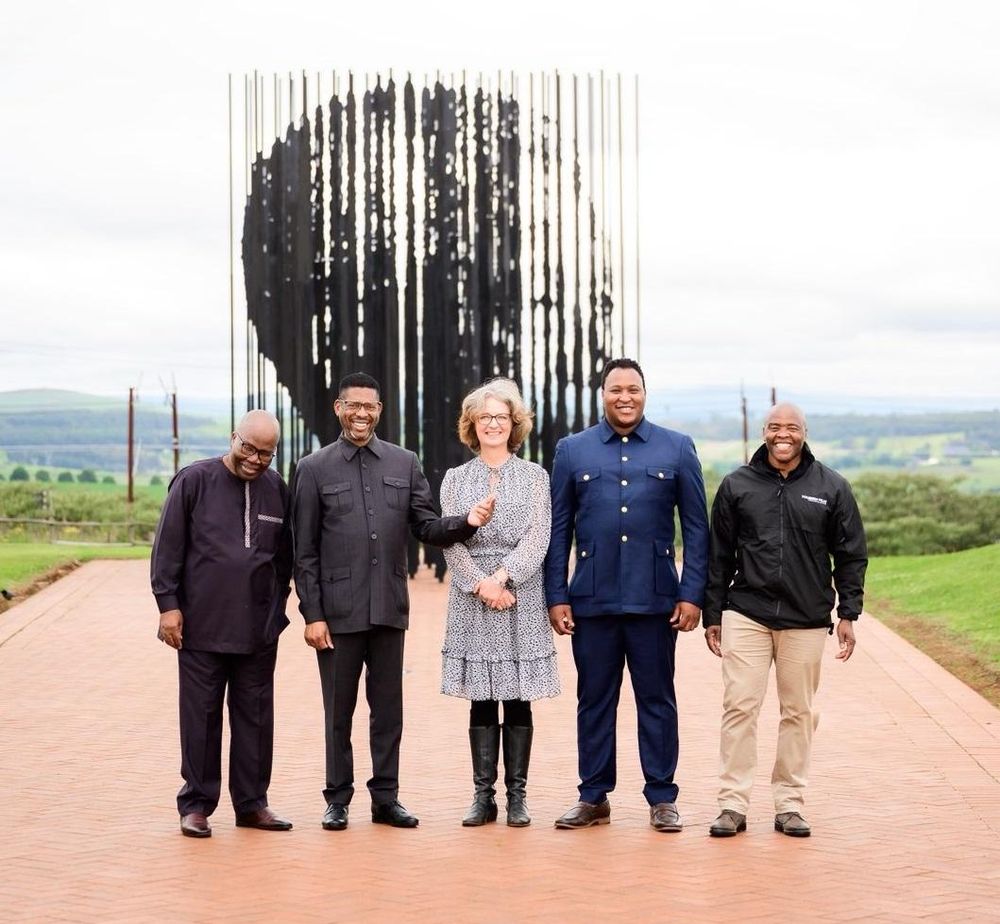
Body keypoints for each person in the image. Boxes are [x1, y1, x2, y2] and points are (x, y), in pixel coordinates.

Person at [292, 372, 495, 831]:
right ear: (339, 408)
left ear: (379, 411)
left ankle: (386, 799)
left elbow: (425, 526)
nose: (361, 414)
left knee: (388, 713)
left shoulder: (404, 463)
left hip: (388, 608)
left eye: (370, 406)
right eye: (353, 405)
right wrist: (313, 614)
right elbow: (303, 552)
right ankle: (337, 799)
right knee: (338, 713)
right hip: (337, 616)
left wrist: (466, 521)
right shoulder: (313, 469)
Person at [544, 358, 710, 831]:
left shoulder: (677, 447)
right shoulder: (572, 451)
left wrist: (692, 593)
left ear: (644, 394)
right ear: (603, 394)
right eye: (615, 389)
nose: (624, 397)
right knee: (594, 700)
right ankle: (593, 796)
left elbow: (696, 528)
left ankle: (662, 797)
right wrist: (556, 594)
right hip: (591, 600)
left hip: (655, 600)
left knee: (656, 699)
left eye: (632, 389)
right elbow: (558, 529)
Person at [703, 402, 867, 838]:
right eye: (775, 426)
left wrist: (848, 612)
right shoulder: (737, 485)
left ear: (804, 433)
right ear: (764, 431)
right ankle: (732, 805)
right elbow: (718, 555)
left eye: (791, 427)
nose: (783, 434)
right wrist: (713, 612)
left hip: (806, 618)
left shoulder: (831, 487)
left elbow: (851, 555)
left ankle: (789, 805)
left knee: (799, 712)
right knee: (740, 707)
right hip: (747, 614)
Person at [150, 409, 293, 838]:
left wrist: (277, 612)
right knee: (201, 718)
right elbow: (167, 547)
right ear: (234, 437)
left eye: (266, 453)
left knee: (256, 720)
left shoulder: (276, 489)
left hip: (258, 630)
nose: (255, 459)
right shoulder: (194, 481)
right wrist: (168, 606)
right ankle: (196, 805)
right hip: (200, 628)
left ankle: (252, 804)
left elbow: (283, 559)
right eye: (249, 448)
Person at [440, 378, 559, 828]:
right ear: (472, 424)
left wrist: (504, 576)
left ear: (515, 423)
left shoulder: (535, 477)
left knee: (518, 697)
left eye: (501, 417)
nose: (493, 424)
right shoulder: (455, 479)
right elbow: (450, 538)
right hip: (473, 597)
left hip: (519, 593)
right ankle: (483, 796)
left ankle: (517, 797)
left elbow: (539, 536)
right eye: (484, 417)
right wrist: (480, 584)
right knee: (483, 698)